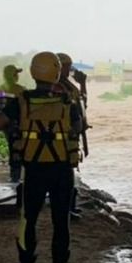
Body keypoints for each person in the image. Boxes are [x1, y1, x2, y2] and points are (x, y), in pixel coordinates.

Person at [0, 52, 81, 263]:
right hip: (62, 171)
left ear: (33, 72)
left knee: (28, 219)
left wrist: (18, 125)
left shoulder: (22, 101)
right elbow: (77, 128)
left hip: (35, 170)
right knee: (61, 220)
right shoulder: (68, 102)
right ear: (57, 72)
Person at [56, 53, 86, 220]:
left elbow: (81, 105)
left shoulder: (66, 85)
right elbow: (76, 109)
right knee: (64, 173)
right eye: (67, 66)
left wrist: (82, 84)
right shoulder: (59, 88)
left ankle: (69, 207)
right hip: (63, 138)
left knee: (67, 172)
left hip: (68, 136)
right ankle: (66, 210)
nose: (69, 70)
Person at [0, 64, 26, 183]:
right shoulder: (21, 90)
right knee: (21, 149)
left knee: (12, 148)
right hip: (19, 125)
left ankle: (14, 175)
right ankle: (20, 175)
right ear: (13, 75)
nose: (17, 76)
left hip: (5, 124)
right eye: (16, 73)